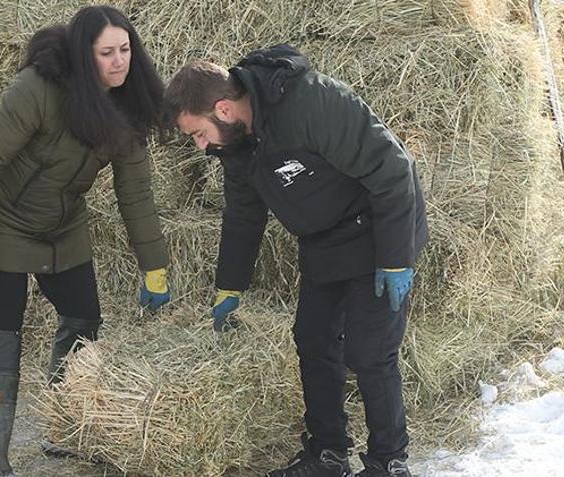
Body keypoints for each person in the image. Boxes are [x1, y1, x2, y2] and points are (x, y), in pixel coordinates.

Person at [163, 45, 428, 477]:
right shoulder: (236, 145)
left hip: (378, 230)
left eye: (197, 133)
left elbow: (393, 169)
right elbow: (244, 214)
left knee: (369, 351)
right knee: (312, 340)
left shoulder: (310, 103)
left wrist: (396, 258)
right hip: (323, 238)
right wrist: (231, 285)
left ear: (224, 108)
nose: (199, 146)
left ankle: (389, 461)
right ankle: (328, 454)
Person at [0, 6, 171, 476]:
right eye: (106, 53)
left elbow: (134, 194)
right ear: (82, 54)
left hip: (64, 227)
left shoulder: (127, 107)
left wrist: (154, 266)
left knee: (84, 320)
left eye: (125, 50)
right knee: (1, 336)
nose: (119, 62)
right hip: (7, 224)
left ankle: (64, 428)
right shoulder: (38, 89)